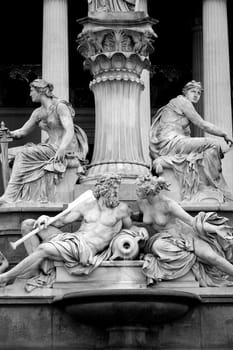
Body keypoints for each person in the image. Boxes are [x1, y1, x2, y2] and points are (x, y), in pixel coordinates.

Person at [0, 174, 134, 290]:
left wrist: (141, 231)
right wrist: (46, 218)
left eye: (117, 188)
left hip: (84, 249)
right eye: (115, 188)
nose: (117, 192)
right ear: (104, 188)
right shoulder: (86, 205)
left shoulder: (121, 209)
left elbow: (130, 229)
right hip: (72, 239)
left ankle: (6, 277)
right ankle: (35, 269)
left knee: (43, 249)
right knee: (28, 224)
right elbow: (61, 221)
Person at [0, 78, 88, 204]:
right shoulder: (38, 112)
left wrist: (62, 149)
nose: (30, 94)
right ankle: (16, 195)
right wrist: (8, 133)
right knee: (7, 155)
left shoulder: (60, 106)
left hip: (62, 147)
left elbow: (69, 130)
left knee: (23, 154)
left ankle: (9, 195)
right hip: (49, 147)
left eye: (31, 91)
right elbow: (23, 132)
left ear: (40, 91)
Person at [136, 175, 233, 287]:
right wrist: (137, 228)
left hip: (185, 235)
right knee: (158, 246)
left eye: (139, 189)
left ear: (149, 191)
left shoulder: (168, 204)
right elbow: (139, 219)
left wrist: (215, 229)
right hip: (163, 238)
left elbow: (191, 221)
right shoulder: (142, 203)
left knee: (211, 257)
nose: (137, 191)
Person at [149, 80, 233, 202]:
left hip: (170, 143)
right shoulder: (183, 102)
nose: (196, 95)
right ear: (185, 92)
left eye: (199, 93)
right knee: (213, 144)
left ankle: (208, 185)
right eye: (193, 91)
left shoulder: (175, 104)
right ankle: (215, 185)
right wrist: (224, 134)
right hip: (172, 142)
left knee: (208, 150)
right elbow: (202, 124)